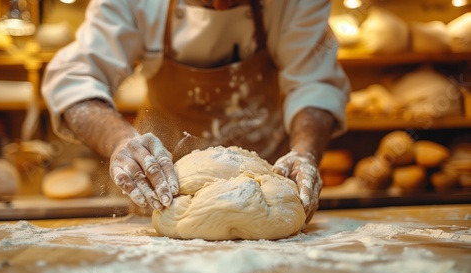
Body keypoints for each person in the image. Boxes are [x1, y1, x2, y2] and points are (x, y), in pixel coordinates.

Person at [42, 0, 350, 224]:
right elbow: (75, 79)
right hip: (160, 192)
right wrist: (120, 140)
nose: (220, 5)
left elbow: (316, 82)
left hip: (266, 189)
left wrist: (304, 152)